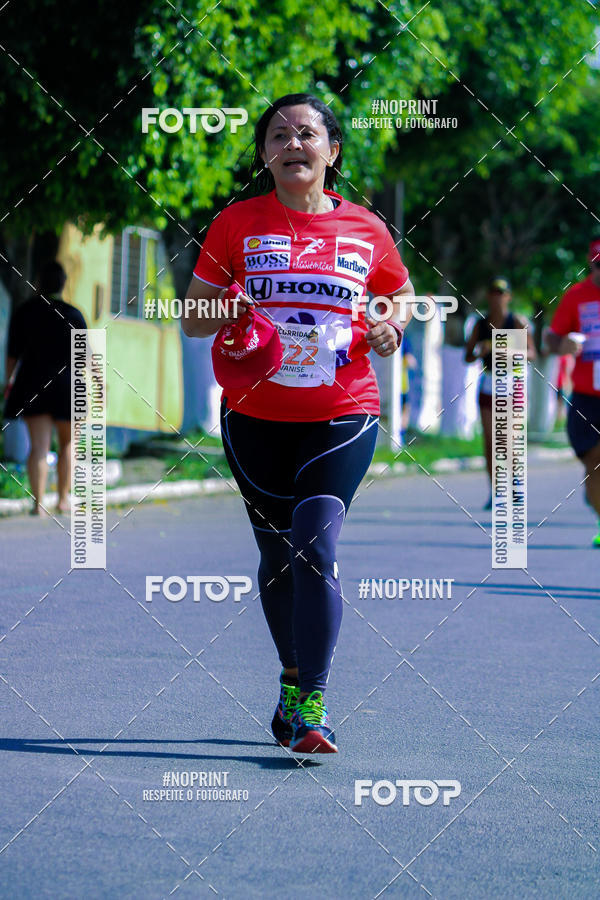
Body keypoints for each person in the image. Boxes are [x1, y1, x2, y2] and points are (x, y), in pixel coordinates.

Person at [183, 93, 414, 754]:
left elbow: (398, 292)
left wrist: (390, 324)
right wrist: (225, 312)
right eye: (278, 136)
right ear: (264, 155)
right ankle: (290, 678)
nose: (293, 145)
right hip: (255, 416)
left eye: (306, 134)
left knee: (315, 548)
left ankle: (312, 700)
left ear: (332, 151)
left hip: (344, 410)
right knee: (277, 557)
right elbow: (192, 317)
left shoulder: (366, 229)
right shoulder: (236, 224)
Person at [4, 261, 87, 515]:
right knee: (67, 445)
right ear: (63, 284)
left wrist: (8, 382)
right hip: (68, 386)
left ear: (38, 283)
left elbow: (12, 356)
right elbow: (83, 356)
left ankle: (38, 504)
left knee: (39, 447)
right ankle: (63, 500)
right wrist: (96, 384)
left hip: (33, 385)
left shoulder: (24, 312)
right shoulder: (74, 314)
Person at [545, 239, 600, 546]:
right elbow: (551, 339)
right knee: (592, 460)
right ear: (591, 265)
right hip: (586, 396)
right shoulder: (576, 297)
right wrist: (562, 346)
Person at [465, 278, 535, 509]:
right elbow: (467, 356)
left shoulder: (516, 321)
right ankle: (496, 491)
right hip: (488, 383)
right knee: (490, 442)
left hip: (511, 383)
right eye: (493, 292)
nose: (497, 297)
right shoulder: (481, 324)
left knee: (510, 440)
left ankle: (515, 484)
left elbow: (531, 354)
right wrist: (479, 351)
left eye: (501, 293)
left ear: (508, 297)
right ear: (488, 296)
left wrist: (502, 347)